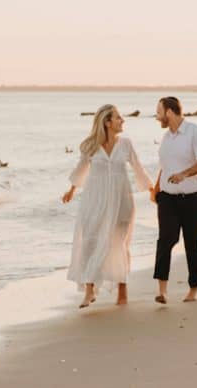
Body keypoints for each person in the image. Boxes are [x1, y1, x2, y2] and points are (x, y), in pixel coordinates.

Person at [62, 104, 153, 308]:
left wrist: (151, 189)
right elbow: (81, 168)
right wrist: (72, 189)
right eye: (118, 118)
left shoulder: (126, 144)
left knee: (120, 243)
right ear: (107, 122)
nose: (123, 121)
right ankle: (89, 290)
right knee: (90, 241)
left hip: (122, 200)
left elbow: (138, 168)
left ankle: (122, 292)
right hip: (94, 200)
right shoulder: (90, 146)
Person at [151, 96, 197, 304]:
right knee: (165, 240)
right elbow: (166, 165)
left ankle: (193, 289)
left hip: (196, 199)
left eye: (159, 112)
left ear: (169, 112)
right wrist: (157, 187)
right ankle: (162, 291)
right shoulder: (166, 138)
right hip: (168, 199)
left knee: (192, 245)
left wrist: (184, 174)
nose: (157, 116)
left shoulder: (195, 133)